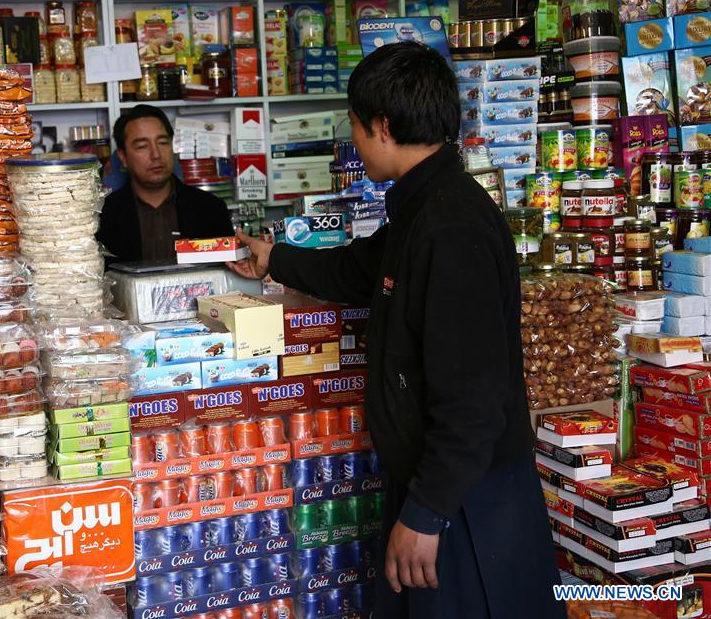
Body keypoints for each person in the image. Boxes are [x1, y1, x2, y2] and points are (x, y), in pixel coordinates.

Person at [229, 42, 564, 619]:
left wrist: (426, 514)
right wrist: (275, 261)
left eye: (356, 128)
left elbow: (473, 402)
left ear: (382, 126)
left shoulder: (451, 226)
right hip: (441, 487)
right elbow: (361, 269)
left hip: (469, 502)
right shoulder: (421, 205)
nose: (355, 144)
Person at [97, 104, 234, 262]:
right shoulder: (103, 217)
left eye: (162, 143)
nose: (155, 154)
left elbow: (226, 274)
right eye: (142, 146)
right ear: (123, 158)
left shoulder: (211, 209)